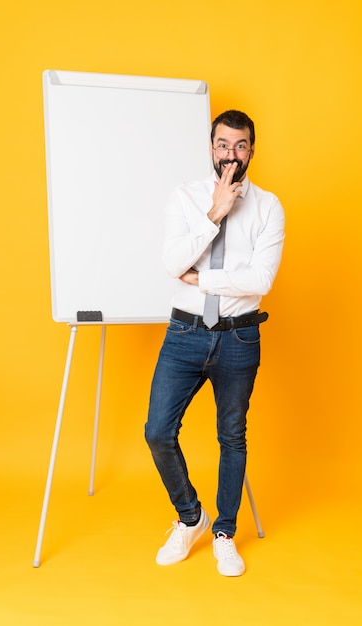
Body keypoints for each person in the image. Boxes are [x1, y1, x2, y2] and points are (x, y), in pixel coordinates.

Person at [144, 110, 285, 577]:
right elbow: (171, 262)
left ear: (251, 150)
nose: (231, 155)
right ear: (211, 147)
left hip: (240, 336)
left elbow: (260, 279)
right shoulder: (185, 198)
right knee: (158, 432)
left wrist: (201, 278)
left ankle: (225, 532)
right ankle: (191, 517)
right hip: (185, 332)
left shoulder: (269, 207)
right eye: (223, 145)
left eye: (240, 146)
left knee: (232, 437)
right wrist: (214, 214)